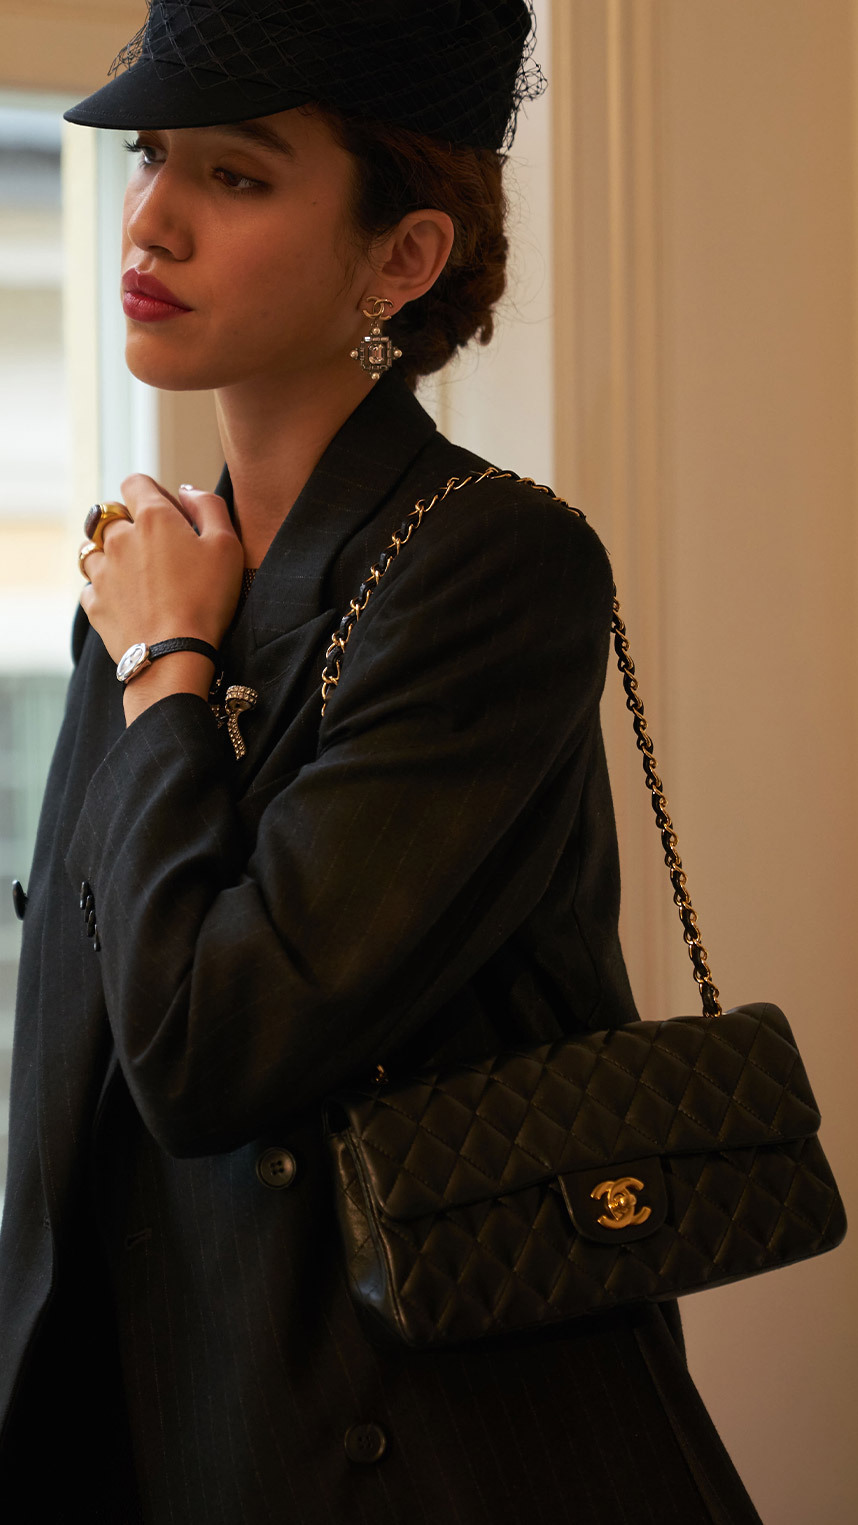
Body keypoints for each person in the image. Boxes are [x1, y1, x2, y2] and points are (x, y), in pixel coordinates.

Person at [0, 3, 764, 1521]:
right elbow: (69, 1086)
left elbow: (215, 1045)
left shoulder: (490, 565)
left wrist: (170, 668)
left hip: (432, 1452)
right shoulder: (150, 571)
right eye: (157, 158)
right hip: (169, 1433)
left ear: (401, 256)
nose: (148, 217)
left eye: (236, 177)